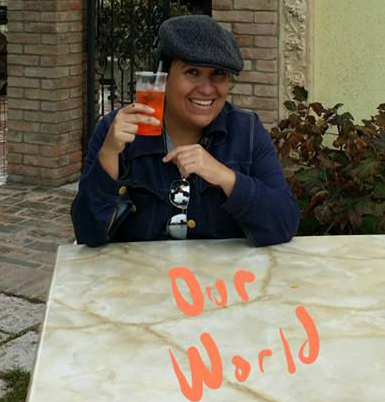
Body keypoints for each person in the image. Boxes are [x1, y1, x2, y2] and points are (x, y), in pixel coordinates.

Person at [72, 15, 300, 247]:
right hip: (140, 270)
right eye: (192, 72)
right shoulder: (117, 131)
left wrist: (224, 176)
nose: (207, 89)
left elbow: (285, 223)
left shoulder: (247, 132)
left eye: (218, 74)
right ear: (164, 77)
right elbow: (87, 234)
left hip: (217, 271)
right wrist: (109, 155)